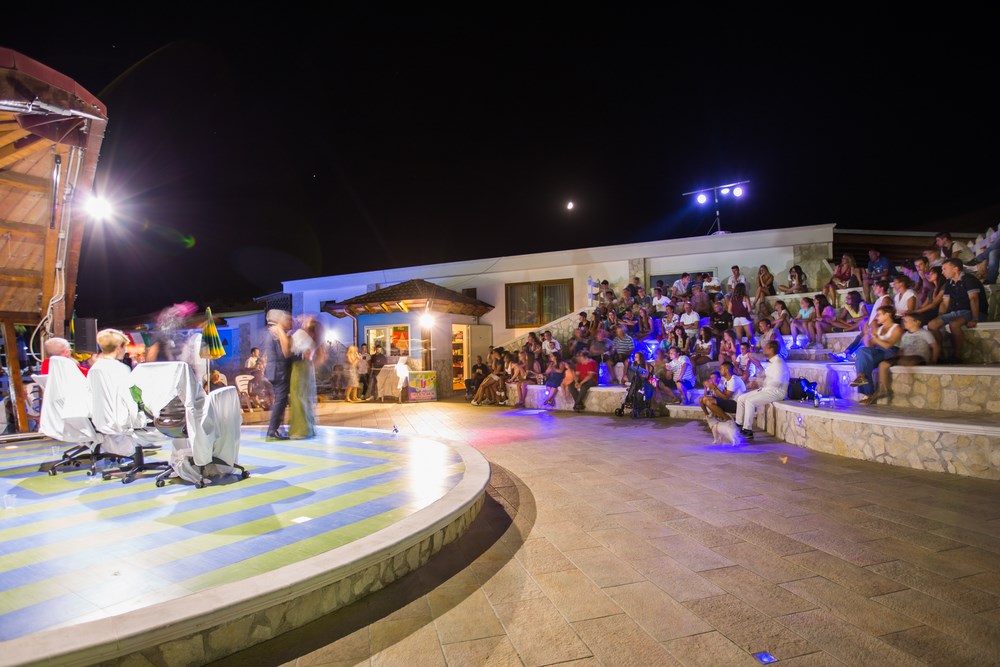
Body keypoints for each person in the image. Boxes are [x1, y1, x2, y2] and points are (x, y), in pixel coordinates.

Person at [868, 313, 940, 404]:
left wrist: (933, 360)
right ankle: (884, 389)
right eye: (903, 321)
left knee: (906, 361)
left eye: (906, 321)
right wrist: (894, 356)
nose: (904, 322)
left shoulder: (925, 333)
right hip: (905, 357)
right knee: (883, 364)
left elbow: (935, 347)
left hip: (919, 357)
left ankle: (909, 385)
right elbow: (902, 350)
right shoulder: (905, 335)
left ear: (917, 322)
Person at [928, 257, 988, 362]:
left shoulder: (969, 279)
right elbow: (944, 303)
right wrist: (940, 316)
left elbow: (974, 299)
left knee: (954, 324)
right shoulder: (949, 283)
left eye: (944, 269)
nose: (942, 272)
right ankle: (939, 354)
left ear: (955, 269)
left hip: (974, 312)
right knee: (932, 324)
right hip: (957, 313)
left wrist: (974, 318)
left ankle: (957, 356)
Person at [736, 341, 789, 439]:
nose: (763, 349)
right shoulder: (772, 361)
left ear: (771, 350)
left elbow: (777, 382)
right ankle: (738, 424)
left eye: (766, 348)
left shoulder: (778, 362)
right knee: (741, 398)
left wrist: (760, 383)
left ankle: (747, 430)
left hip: (777, 391)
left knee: (749, 401)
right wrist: (759, 383)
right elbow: (768, 378)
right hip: (767, 389)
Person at [849, 305, 902, 398]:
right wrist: (866, 334)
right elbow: (869, 345)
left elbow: (888, 345)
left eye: (879, 314)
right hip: (878, 352)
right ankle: (863, 379)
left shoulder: (896, 328)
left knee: (864, 359)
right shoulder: (880, 329)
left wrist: (875, 337)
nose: (876, 317)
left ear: (887, 314)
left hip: (891, 353)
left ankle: (868, 393)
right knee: (862, 354)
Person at [288, 316, 325, 438]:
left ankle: (301, 430)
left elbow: (292, 350)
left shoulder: (301, 335)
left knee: (299, 398)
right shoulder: (313, 340)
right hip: (307, 368)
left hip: (300, 368)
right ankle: (308, 429)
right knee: (305, 398)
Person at [262, 309, 293, 440]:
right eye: (285, 318)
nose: (288, 321)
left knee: (280, 400)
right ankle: (273, 429)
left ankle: (277, 427)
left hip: (273, 370)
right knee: (280, 401)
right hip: (279, 370)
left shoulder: (270, 331)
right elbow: (284, 353)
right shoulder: (276, 331)